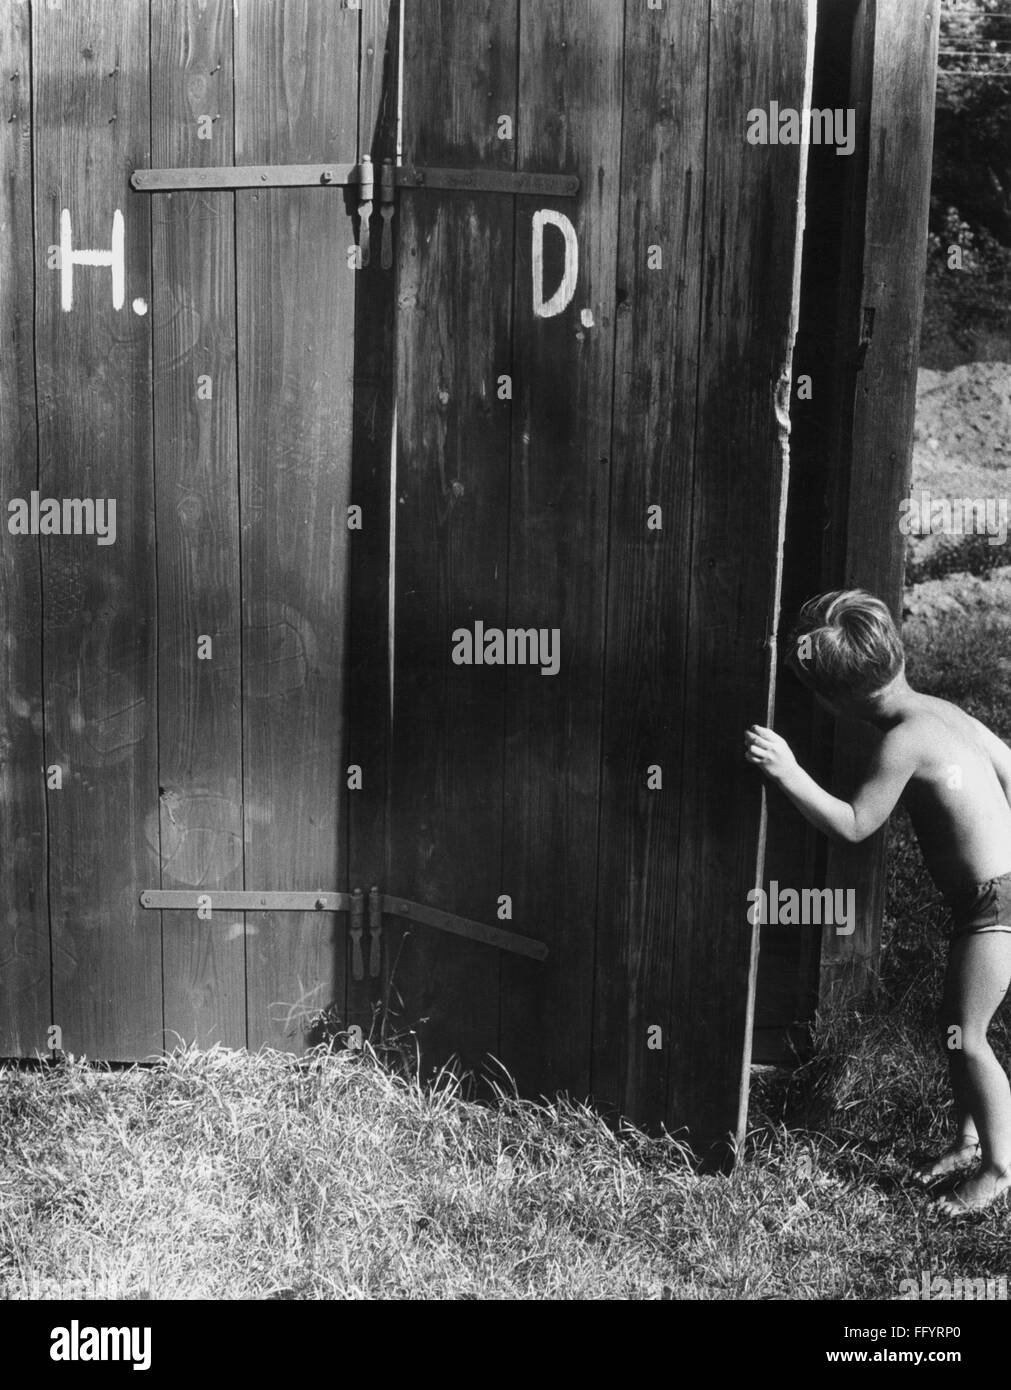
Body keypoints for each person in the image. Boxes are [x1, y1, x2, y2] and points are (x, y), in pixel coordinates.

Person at [745, 589, 1011, 1216]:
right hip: (996, 893)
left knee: (968, 1035)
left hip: (993, 907)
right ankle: (967, 1141)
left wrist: (787, 771)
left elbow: (856, 824)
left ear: (835, 700)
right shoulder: (940, 711)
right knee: (954, 1029)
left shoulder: (900, 743)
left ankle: (999, 1169)